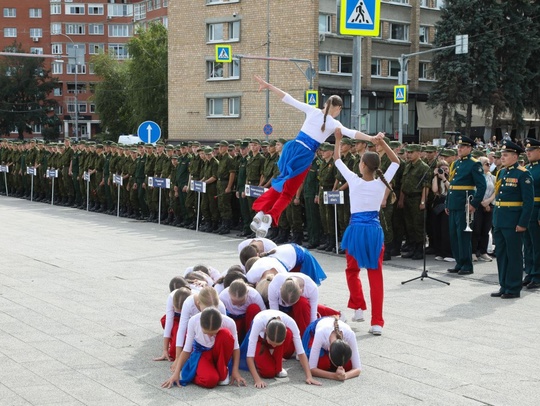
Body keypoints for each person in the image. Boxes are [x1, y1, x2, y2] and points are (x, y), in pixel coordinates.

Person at [250, 75, 383, 238]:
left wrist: (269, 86)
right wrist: (370, 138)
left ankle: (261, 212)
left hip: (292, 148)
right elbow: (352, 133)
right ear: (338, 108)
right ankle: (269, 217)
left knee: (280, 182)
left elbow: (288, 98)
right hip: (304, 155)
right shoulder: (334, 124)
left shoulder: (311, 110)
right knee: (289, 191)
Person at [334, 129, 399, 335]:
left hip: (355, 230)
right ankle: (377, 322)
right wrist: (383, 143)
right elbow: (396, 161)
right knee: (375, 274)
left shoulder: (354, 180)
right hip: (373, 230)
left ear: (363, 165)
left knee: (352, 270)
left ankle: (359, 306)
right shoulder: (382, 181)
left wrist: (337, 140)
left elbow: (336, 158)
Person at [491, 140, 534, 299]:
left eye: (506, 155)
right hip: (500, 220)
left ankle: (514, 287)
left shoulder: (523, 174)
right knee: (502, 255)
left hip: (514, 222)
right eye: (501, 155)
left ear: (515, 156)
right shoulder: (502, 172)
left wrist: (523, 223)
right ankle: (504, 285)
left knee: (514, 255)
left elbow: (528, 202)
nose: (502, 157)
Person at [161, 308, 246, 388]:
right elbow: (186, 350)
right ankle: (194, 373)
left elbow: (236, 348)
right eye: (206, 333)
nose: (209, 335)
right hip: (202, 353)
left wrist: (235, 371)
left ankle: (222, 370)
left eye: (213, 333)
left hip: (218, 351)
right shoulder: (194, 321)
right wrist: (176, 373)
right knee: (211, 380)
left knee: (225, 334)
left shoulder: (229, 322)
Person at [240, 309, 322, 388]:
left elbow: (301, 352)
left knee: (290, 334)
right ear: (266, 331)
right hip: (260, 341)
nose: (274, 346)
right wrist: (257, 380)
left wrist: (309, 376)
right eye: (272, 343)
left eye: (277, 344)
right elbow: (249, 357)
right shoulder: (258, 323)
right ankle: (266, 358)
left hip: (277, 336)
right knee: (268, 373)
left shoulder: (291, 323)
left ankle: (277, 366)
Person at [446, 136, 487, 276]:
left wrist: (474, 204)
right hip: (454, 204)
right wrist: (447, 203)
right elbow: (452, 186)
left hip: (465, 204)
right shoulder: (456, 164)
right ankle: (459, 262)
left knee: (463, 235)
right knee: (453, 235)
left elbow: (482, 186)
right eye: (458, 147)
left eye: (463, 147)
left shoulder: (474, 164)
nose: (459, 149)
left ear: (469, 148)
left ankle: (467, 264)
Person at [267, 273, 340, 336]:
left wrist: (310, 335)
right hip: (280, 309)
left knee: (302, 303)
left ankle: (336, 315)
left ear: (301, 292)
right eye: (284, 301)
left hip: (299, 310)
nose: (287, 304)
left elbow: (312, 317)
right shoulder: (274, 285)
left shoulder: (312, 288)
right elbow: (275, 314)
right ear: (280, 288)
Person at [302, 316, 361, 381]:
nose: (340, 367)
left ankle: (334, 363)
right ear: (329, 348)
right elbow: (311, 368)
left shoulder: (350, 335)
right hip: (313, 333)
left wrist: (345, 375)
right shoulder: (321, 333)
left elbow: (357, 368)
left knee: (349, 365)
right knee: (322, 363)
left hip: (331, 339)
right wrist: (334, 376)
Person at [523, 138, 540, 289]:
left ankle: (537, 275)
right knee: (527, 244)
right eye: (527, 150)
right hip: (527, 210)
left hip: (537, 210)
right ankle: (529, 272)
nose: (528, 152)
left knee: (537, 245)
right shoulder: (527, 168)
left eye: (531, 150)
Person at [471, 157, 496, 262]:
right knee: (476, 229)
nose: (489, 166)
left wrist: (488, 201)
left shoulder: (493, 177)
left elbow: (496, 190)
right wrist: (483, 202)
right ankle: (473, 251)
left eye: (490, 164)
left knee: (486, 229)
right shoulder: (477, 176)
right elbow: (476, 190)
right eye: (486, 164)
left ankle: (483, 251)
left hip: (489, 204)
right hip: (478, 204)